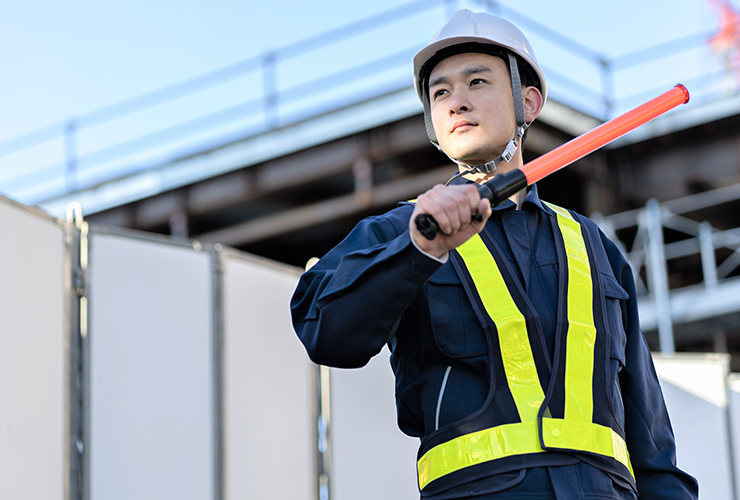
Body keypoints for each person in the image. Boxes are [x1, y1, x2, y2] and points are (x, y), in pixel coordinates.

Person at [290, 9, 698, 500]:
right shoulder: (403, 230)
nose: (456, 102)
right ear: (433, 126)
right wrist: (421, 249)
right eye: (440, 93)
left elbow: (652, 447)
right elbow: (325, 331)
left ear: (529, 101)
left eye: (476, 82)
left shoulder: (597, 252)